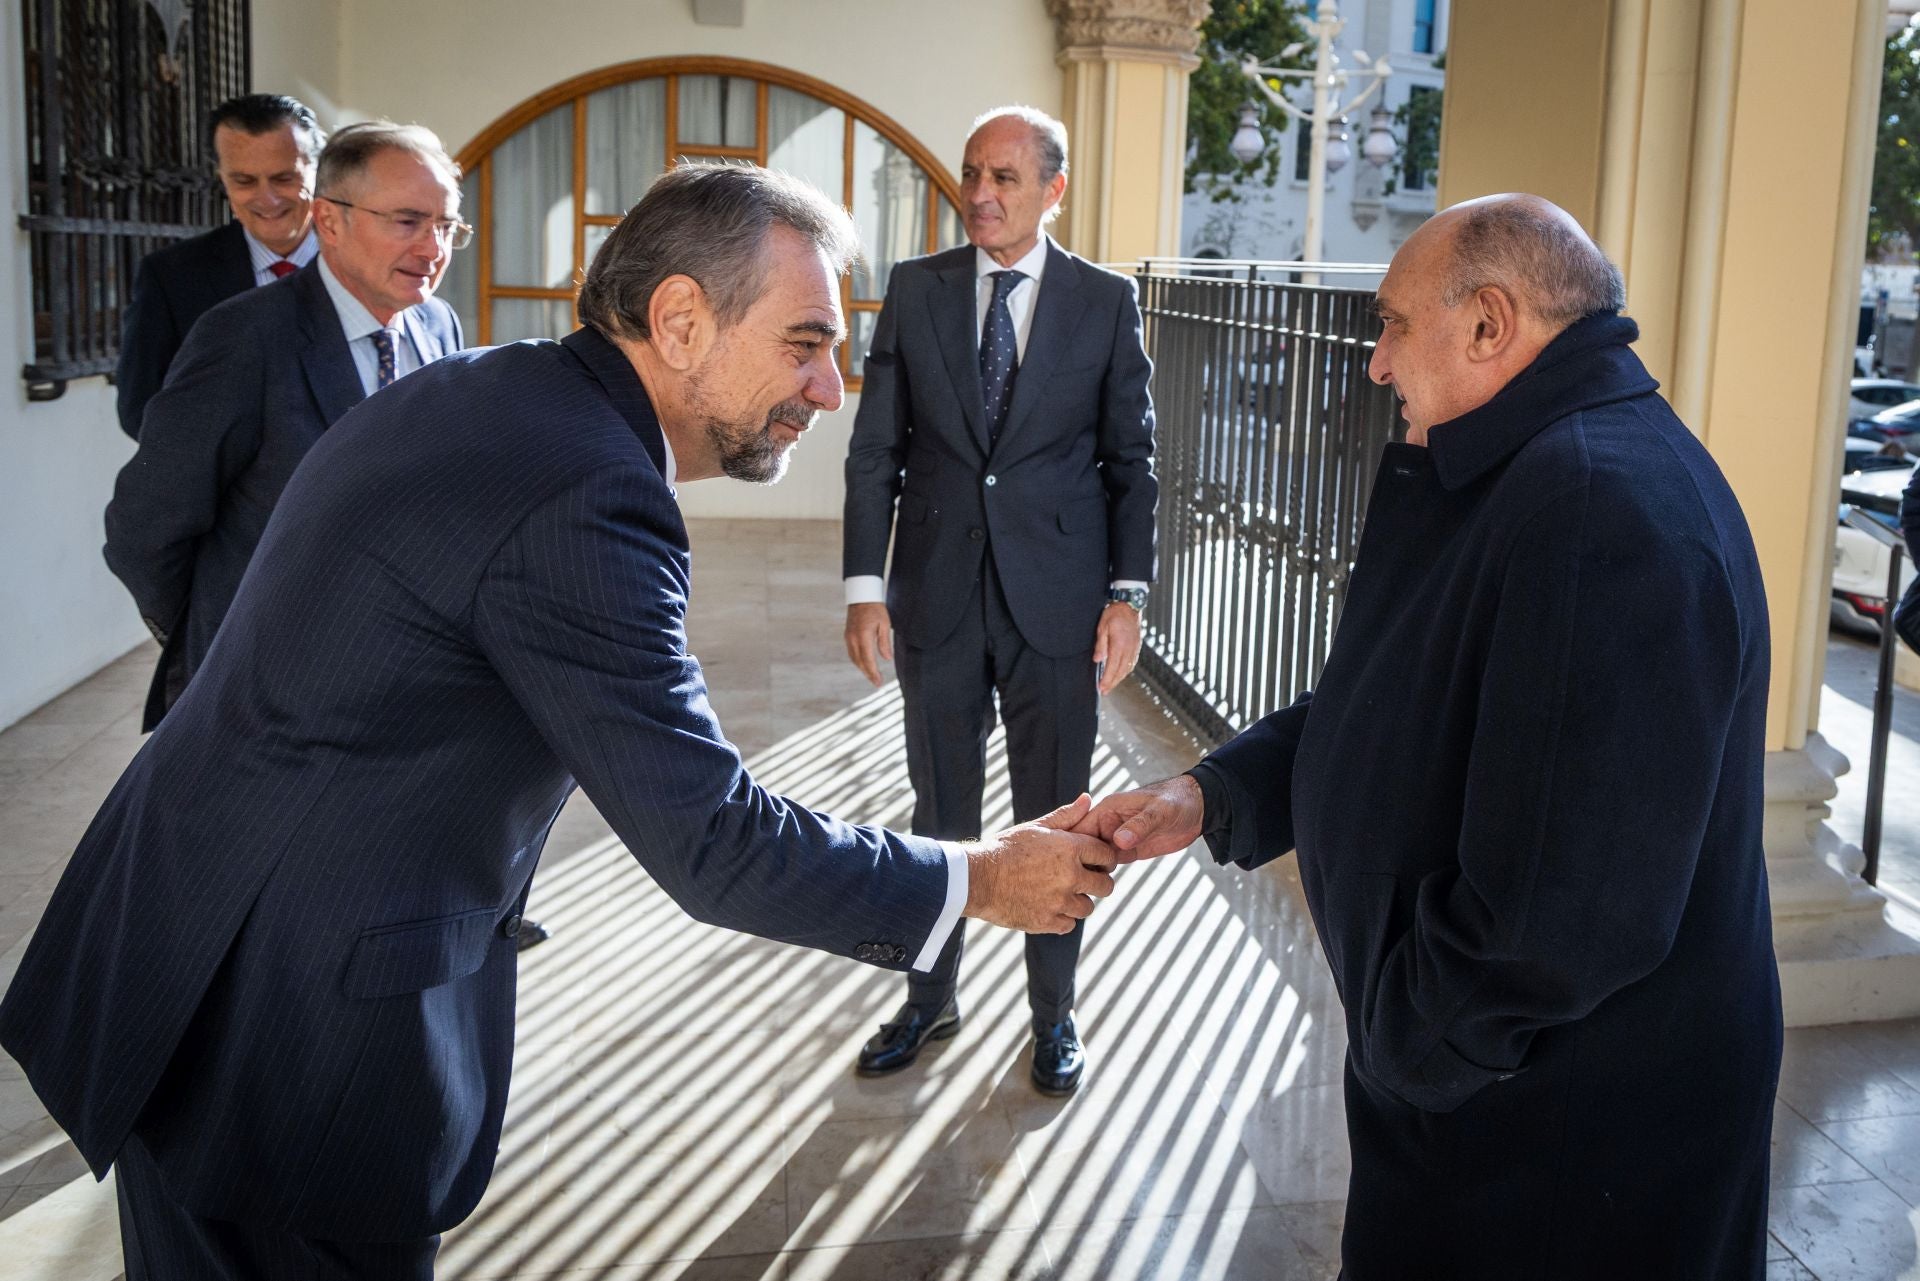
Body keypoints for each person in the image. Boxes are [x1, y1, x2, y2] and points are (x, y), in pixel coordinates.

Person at [0, 161, 1117, 1280]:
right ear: (680, 318)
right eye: (804, 343)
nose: (831, 388)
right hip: (286, 1036)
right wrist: (978, 877)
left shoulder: (499, 383)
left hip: (196, 948)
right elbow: (713, 841)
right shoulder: (587, 487)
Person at [1082, 195, 1782, 1278]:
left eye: (1394, 323)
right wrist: (1214, 795)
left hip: (1549, 1143)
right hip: (1490, 1100)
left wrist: (1410, 1046)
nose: (1374, 362)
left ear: (1490, 325)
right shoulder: (1526, 471)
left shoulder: (1597, 508)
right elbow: (1389, 705)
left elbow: (1566, 914)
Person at [841, 105, 1156, 1095]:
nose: (981, 192)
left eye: (1006, 178)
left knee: (1058, 820)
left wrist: (1125, 595)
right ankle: (929, 1001)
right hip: (934, 594)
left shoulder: (1105, 302)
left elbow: (1131, 461)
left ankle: (1054, 1017)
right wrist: (864, 585)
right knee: (941, 811)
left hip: (1058, 606)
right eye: (973, 173)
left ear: (1053, 191)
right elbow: (876, 452)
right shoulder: (916, 290)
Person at [105, 121, 464, 735]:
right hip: (262, 694)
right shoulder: (242, 337)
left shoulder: (438, 325)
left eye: (446, 225)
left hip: (399, 684)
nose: (433, 249)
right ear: (329, 220)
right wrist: (216, 637)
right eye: (407, 222)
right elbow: (145, 525)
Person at [116, 94, 326, 440]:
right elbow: (141, 408)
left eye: (284, 178)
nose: (267, 199)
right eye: (244, 181)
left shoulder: (362, 264)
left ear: (318, 169)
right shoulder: (172, 276)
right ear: (222, 177)